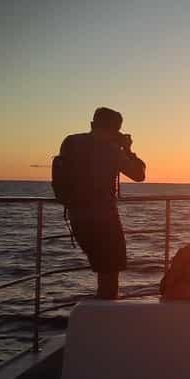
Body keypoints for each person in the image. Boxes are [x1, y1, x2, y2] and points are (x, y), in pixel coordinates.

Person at [55, 107, 146, 299]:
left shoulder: (70, 141)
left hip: (77, 218)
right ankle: (107, 320)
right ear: (116, 130)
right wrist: (127, 149)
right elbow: (139, 174)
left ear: (92, 124)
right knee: (110, 276)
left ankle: (102, 315)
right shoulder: (111, 150)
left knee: (101, 268)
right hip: (104, 220)